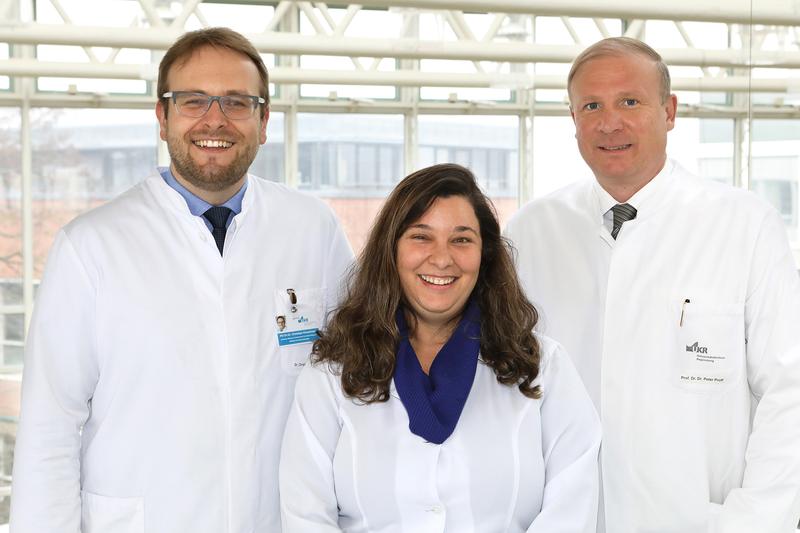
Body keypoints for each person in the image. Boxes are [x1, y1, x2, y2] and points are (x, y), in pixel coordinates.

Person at [10, 27, 353, 532]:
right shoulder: (90, 247)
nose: (215, 119)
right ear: (162, 115)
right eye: (194, 100)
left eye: (237, 102)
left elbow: (355, 381)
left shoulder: (313, 229)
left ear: (264, 122)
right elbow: (50, 426)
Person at [505, 37, 800, 533]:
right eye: (591, 105)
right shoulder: (529, 232)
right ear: (573, 119)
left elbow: (788, 391)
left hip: (700, 519)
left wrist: (755, 522)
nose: (609, 122)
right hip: (565, 518)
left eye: (630, 102)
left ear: (669, 111)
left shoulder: (745, 224)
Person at [279, 163, 601, 532]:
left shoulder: (544, 368)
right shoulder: (333, 373)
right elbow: (306, 514)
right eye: (421, 236)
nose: (442, 258)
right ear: (392, 250)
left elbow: (570, 507)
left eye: (462, 239)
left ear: (486, 255)